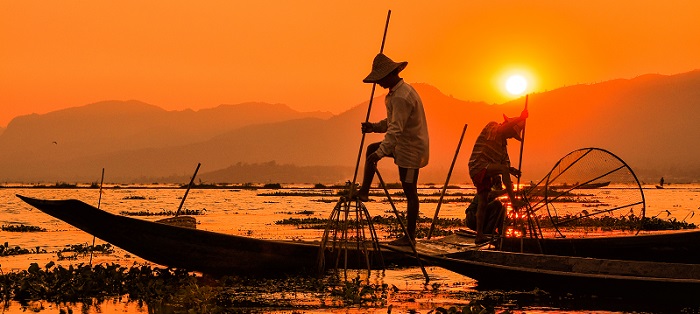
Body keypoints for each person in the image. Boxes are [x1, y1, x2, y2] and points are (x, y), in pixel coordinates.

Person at [356, 53, 430, 246]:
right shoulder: (397, 94)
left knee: (409, 191)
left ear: (390, 74)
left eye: (380, 78)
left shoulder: (401, 97)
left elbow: (396, 129)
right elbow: (392, 122)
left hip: (411, 151)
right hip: (402, 146)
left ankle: (410, 237)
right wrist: (373, 127)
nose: (379, 83)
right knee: (372, 147)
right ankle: (364, 191)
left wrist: (380, 154)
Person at [468, 109, 528, 245]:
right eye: (511, 133)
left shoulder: (502, 146)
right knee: (501, 170)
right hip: (477, 165)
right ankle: (514, 201)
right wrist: (520, 117)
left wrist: (513, 171)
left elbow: (505, 164)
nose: (510, 136)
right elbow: (502, 131)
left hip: (486, 170)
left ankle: (479, 236)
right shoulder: (493, 127)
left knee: (483, 203)